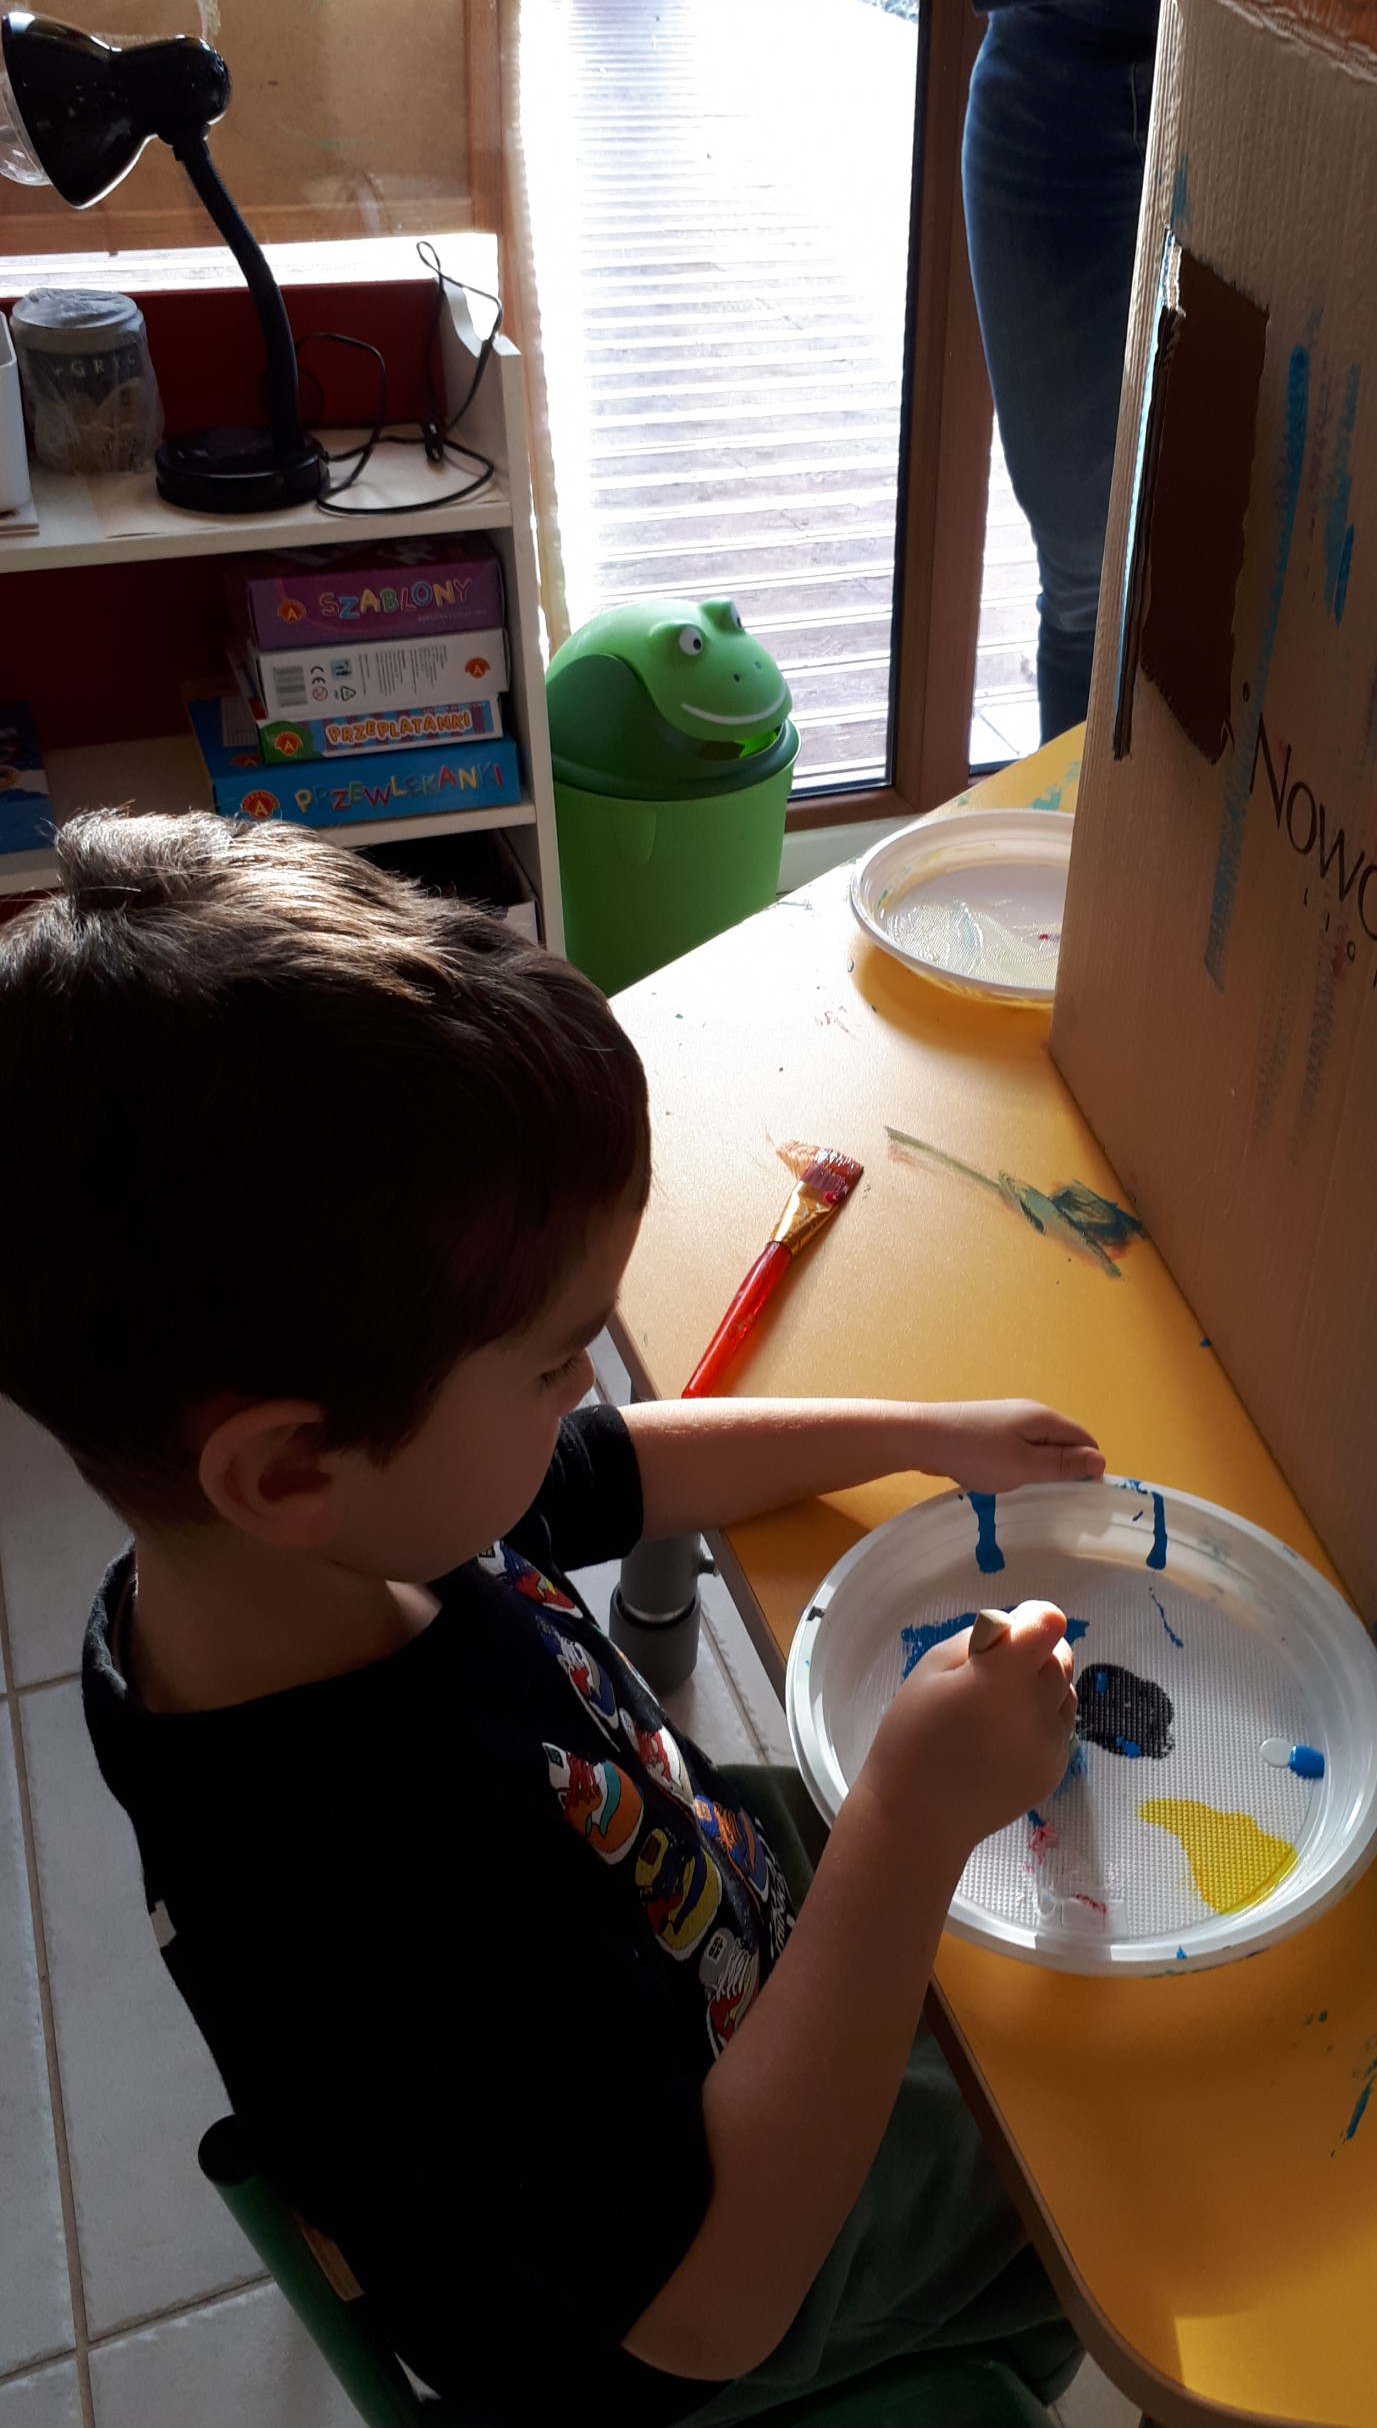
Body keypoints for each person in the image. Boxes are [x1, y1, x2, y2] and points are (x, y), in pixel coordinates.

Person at [0, 811, 1107, 2424]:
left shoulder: (299, 1555)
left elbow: (616, 1467)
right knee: (1090, 2163)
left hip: (687, 1936)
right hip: (722, 2289)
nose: (583, 1379)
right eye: (547, 1358)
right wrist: (911, 1821)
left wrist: (918, 1433)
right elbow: (710, 2309)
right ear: (287, 1463)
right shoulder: (380, 1894)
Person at [854, 0, 1170, 741]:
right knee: (1085, 581)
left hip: (1249, 71)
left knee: (1234, 569)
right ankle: (1087, 830)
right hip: (1050, 76)